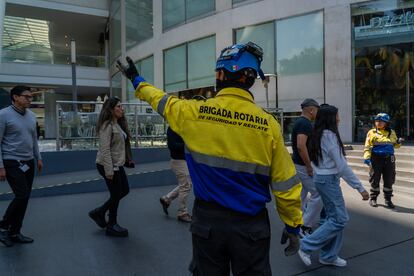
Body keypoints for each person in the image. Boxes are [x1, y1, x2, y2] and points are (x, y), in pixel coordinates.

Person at [117, 41, 303, 275]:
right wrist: (293, 225)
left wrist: (136, 78)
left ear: (222, 74)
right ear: (251, 79)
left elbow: (159, 100)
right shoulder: (269, 125)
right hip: (251, 226)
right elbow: (285, 186)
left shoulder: (193, 112)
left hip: (207, 223)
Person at [298, 104, 369, 267]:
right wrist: (360, 188)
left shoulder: (320, 133)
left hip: (323, 179)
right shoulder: (329, 136)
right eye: (337, 116)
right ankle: (306, 245)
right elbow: (342, 166)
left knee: (333, 218)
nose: (339, 118)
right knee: (340, 219)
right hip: (327, 180)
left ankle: (328, 256)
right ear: (331, 118)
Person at [0, 85, 43, 246]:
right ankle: (3, 226)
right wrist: (1, 167)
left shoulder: (31, 116)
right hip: (11, 160)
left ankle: (15, 231)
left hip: (28, 161)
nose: (30, 99)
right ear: (15, 97)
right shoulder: (3, 115)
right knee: (22, 195)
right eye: (27, 97)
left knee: (25, 198)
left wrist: (38, 158)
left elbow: (33, 140)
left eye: (31, 97)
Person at [88, 97, 131, 237]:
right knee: (116, 194)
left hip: (117, 164)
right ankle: (111, 225)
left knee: (124, 190)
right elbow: (105, 149)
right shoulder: (106, 125)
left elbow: (120, 146)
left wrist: (127, 160)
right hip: (108, 164)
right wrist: (109, 170)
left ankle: (99, 212)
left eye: (122, 106)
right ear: (111, 109)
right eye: (119, 106)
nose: (122, 108)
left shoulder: (117, 123)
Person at [291, 98, 322, 237]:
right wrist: (309, 165)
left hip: (299, 164)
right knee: (317, 194)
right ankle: (306, 225)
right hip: (303, 165)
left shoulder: (300, 122)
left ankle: (297, 222)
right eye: (316, 110)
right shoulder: (304, 123)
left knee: (302, 194)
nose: (317, 113)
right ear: (311, 109)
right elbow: (300, 145)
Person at [363, 113, 404, 208]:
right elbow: (367, 146)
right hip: (376, 158)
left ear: (386, 123)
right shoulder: (371, 132)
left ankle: (388, 200)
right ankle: (373, 198)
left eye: (381, 121)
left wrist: (398, 142)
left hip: (389, 159)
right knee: (374, 178)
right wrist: (367, 157)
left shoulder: (391, 132)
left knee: (389, 179)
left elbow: (395, 146)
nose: (378, 123)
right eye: (377, 121)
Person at [159, 127, 193, 223]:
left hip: (184, 160)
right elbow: (173, 146)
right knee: (186, 185)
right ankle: (182, 213)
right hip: (178, 161)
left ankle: (166, 199)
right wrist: (188, 144)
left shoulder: (183, 127)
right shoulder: (173, 128)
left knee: (186, 184)